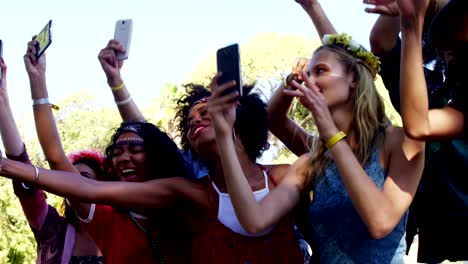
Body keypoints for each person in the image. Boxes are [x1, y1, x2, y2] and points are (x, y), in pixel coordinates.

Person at [216, 29, 425, 263]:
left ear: (354, 79)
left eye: (320, 71)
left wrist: (330, 132)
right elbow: (254, 220)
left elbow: (380, 223)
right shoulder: (312, 162)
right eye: (306, 74)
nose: (309, 80)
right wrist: (224, 135)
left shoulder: (397, 141)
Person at [22, 39, 193, 264]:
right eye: (117, 152)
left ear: (156, 157)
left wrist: (116, 82)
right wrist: (37, 79)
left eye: (135, 149)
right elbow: (56, 157)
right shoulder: (106, 218)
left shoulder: (187, 199)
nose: (124, 158)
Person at [370, 0, 468, 261]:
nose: (451, 55)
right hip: (444, 228)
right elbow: (419, 124)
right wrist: (410, 23)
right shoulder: (451, 104)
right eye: (448, 51)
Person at [0, 55, 103, 263]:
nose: (72, 185)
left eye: (83, 178)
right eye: (66, 180)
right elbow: (24, 178)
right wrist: (1, 97)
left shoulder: (123, 229)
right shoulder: (52, 229)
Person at [97, 39, 208, 180]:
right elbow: (144, 132)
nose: (196, 120)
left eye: (205, 113)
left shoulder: (187, 191)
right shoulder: (191, 169)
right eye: (189, 121)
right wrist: (115, 81)